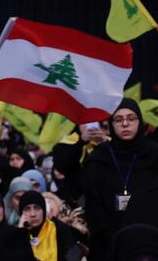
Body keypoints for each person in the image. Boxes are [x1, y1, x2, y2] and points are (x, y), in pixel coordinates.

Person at [82, 99, 158, 261]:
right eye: (118, 119)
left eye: (131, 118)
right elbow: (93, 205)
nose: (125, 124)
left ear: (140, 121)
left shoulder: (154, 154)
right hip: (109, 243)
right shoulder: (98, 158)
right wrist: (116, 236)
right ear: (111, 124)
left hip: (151, 240)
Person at [17, 190, 79, 261]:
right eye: (27, 209)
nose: (33, 214)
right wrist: (20, 233)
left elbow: (74, 258)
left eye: (37, 208)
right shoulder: (16, 234)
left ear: (44, 209)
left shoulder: (60, 229)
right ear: (21, 212)